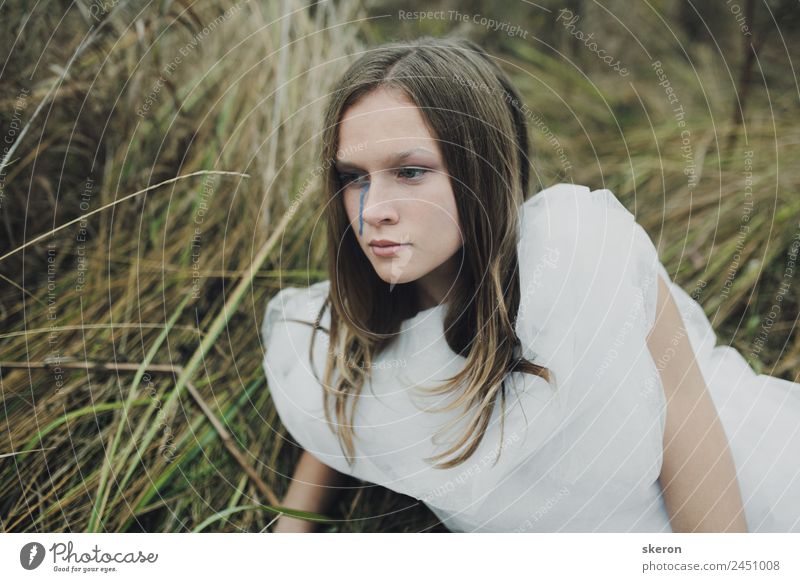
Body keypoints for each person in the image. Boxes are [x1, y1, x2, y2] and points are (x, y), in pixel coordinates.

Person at [261, 36, 800, 533]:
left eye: (410, 172)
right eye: (354, 177)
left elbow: (687, 421)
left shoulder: (580, 257)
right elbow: (344, 403)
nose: (373, 210)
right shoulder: (351, 327)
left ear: (482, 169)